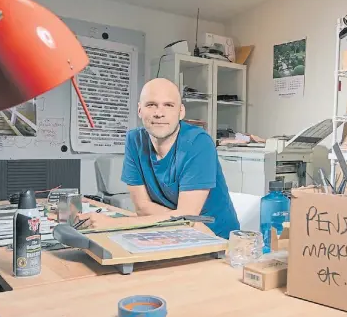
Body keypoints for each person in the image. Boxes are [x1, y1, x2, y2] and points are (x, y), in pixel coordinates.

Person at [79, 78, 240, 239]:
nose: (159, 113)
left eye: (169, 105)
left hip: (215, 239)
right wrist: (181, 218)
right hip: (169, 230)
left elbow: (187, 218)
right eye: (151, 105)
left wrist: (115, 224)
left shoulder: (198, 142)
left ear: (181, 112)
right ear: (140, 110)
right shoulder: (134, 140)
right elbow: (142, 208)